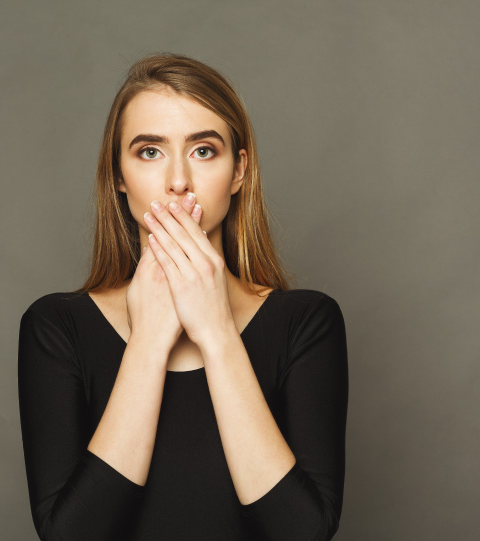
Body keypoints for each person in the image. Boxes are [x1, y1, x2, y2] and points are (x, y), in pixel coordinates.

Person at [18, 53, 348, 540]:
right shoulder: (56, 327)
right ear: (118, 176)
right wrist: (149, 341)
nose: (177, 181)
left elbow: (303, 533)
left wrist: (216, 331)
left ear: (239, 172)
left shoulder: (306, 322)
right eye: (150, 151)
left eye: (203, 151)